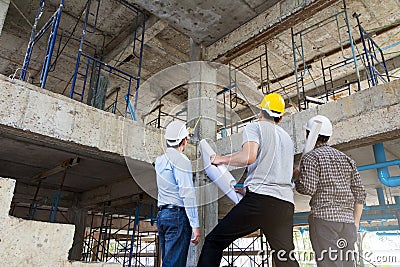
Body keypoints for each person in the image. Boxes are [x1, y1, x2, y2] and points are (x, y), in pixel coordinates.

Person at [197, 93, 299, 267]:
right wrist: (246, 189)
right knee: (284, 257)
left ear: (261, 112)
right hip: (285, 204)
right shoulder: (287, 139)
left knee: (214, 242)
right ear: (280, 118)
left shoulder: (255, 127)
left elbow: (249, 157)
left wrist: (221, 159)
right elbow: (282, 173)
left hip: (261, 201)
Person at [293, 115, 366, 267]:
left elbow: (308, 188)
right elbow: (360, 193)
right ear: (329, 136)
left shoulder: (311, 157)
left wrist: (297, 176)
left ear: (308, 135)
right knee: (348, 263)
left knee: (329, 263)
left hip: (324, 220)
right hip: (347, 223)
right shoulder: (347, 159)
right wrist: (355, 222)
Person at [155, 120, 201, 267]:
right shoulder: (182, 160)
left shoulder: (160, 161)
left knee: (168, 262)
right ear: (184, 141)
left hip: (162, 216)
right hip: (177, 216)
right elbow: (187, 193)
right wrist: (195, 224)